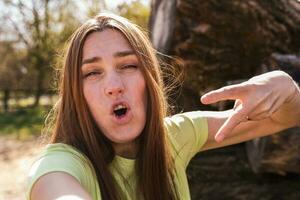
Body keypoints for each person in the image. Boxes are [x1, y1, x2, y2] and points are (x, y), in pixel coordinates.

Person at [27, 13, 300, 200]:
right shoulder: (59, 164)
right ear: (77, 93)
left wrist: (287, 88)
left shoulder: (176, 136)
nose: (113, 85)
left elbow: (283, 119)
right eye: (92, 73)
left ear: (150, 79)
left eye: (128, 65)